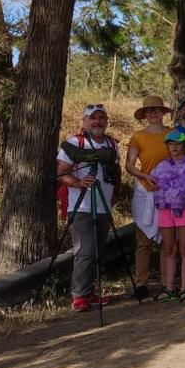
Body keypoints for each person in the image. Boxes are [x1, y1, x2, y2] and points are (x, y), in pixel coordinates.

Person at [56, 104, 120, 312]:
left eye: (101, 118)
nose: (97, 121)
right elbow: (61, 172)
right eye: (93, 118)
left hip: (103, 205)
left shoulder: (111, 143)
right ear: (84, 121)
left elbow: (115, 171)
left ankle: (89, 290)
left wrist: (114, 195)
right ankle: (79, 296)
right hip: (82, 205)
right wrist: (78, 183)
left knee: (98, 251)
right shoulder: (75, 143)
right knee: (85, 251)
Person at [125, 95, 172, 300]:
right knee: (143, 241)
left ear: (163, 113)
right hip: (145, 191)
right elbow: (129, 164)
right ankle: (142, 283)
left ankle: (166, 283)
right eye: (149, 110)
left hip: (168, 192)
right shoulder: (138, 137)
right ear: (145, 114)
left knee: (167, 241)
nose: (153, 113)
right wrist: (145, 176)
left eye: (157, 109)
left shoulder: (174, 134)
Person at [150, 131, 185, 302]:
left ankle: (184, 288)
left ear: (184, 145)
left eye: (177, 143)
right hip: (165, 208)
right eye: (171, 144)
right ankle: (169, 288)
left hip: (183, 208)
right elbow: (153, 181)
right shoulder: (161, 165)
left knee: (184, 248)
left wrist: (168, 190)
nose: (174, 147)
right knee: (169, 248)